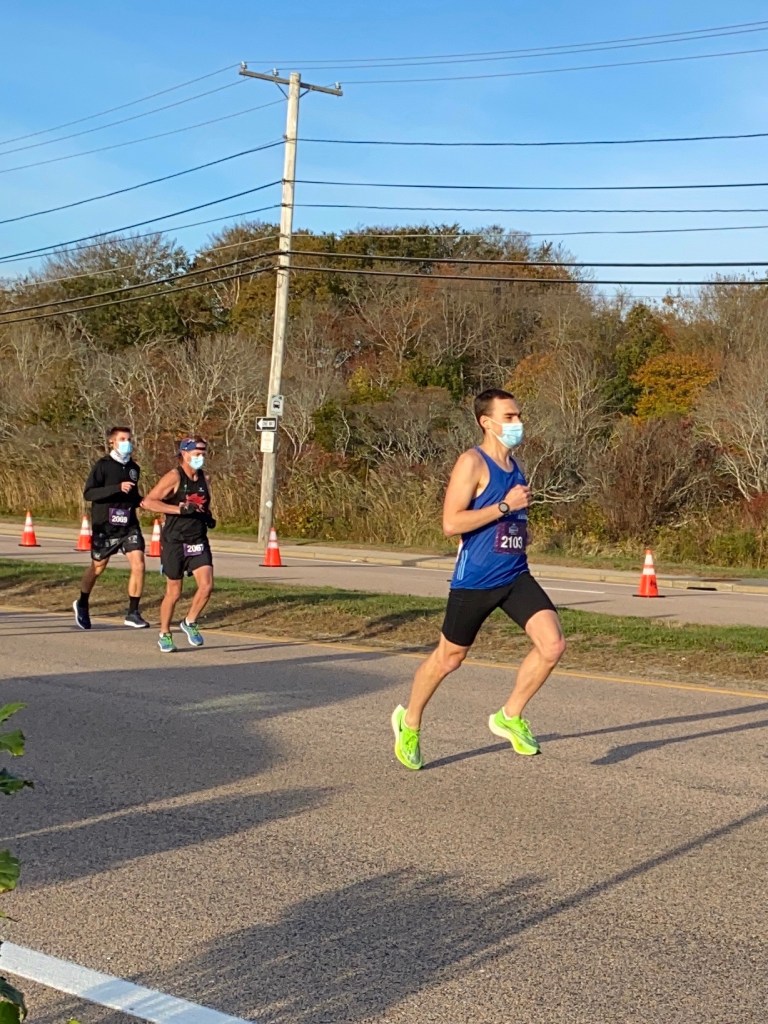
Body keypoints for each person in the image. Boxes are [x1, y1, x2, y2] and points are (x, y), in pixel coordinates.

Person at [391, 388, 566, 770]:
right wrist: (504, 506)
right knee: (449, 658)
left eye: (519, 416)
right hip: (475, 580)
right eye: (509, 417)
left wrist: (519, 528)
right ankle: (409, 721)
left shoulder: (515, 466)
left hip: (515, 575)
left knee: (552, 645)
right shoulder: (472, 462)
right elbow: (451, 523)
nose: (518, 423)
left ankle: (510, 715)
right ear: (486, 422)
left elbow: (506, 521)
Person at [141, 436, 215, 653]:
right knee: (174, 592)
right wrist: (178, 509)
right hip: (174, 540)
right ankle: (164, 633)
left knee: (207, 586)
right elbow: (148, 502)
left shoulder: (205, 478)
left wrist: (208, 517)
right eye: (197, 454)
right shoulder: (174, 477)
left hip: (197, 539)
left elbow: (203, 504)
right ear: (184, 454)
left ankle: (189, 621)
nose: (201, 457)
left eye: (203, 454)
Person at [74, 425, 149, 630]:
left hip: (129, 525)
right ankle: (82, 602)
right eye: (123, 439)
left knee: (139, 563)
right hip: (106, 525)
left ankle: (133, 612)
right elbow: (89, 493)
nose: (127, 443)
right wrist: (116, 488)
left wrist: (145, 501)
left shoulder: (134, 468)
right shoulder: (103, 465)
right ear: (112, 442)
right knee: (98, 567)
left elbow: (133, 496)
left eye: (129, 439)